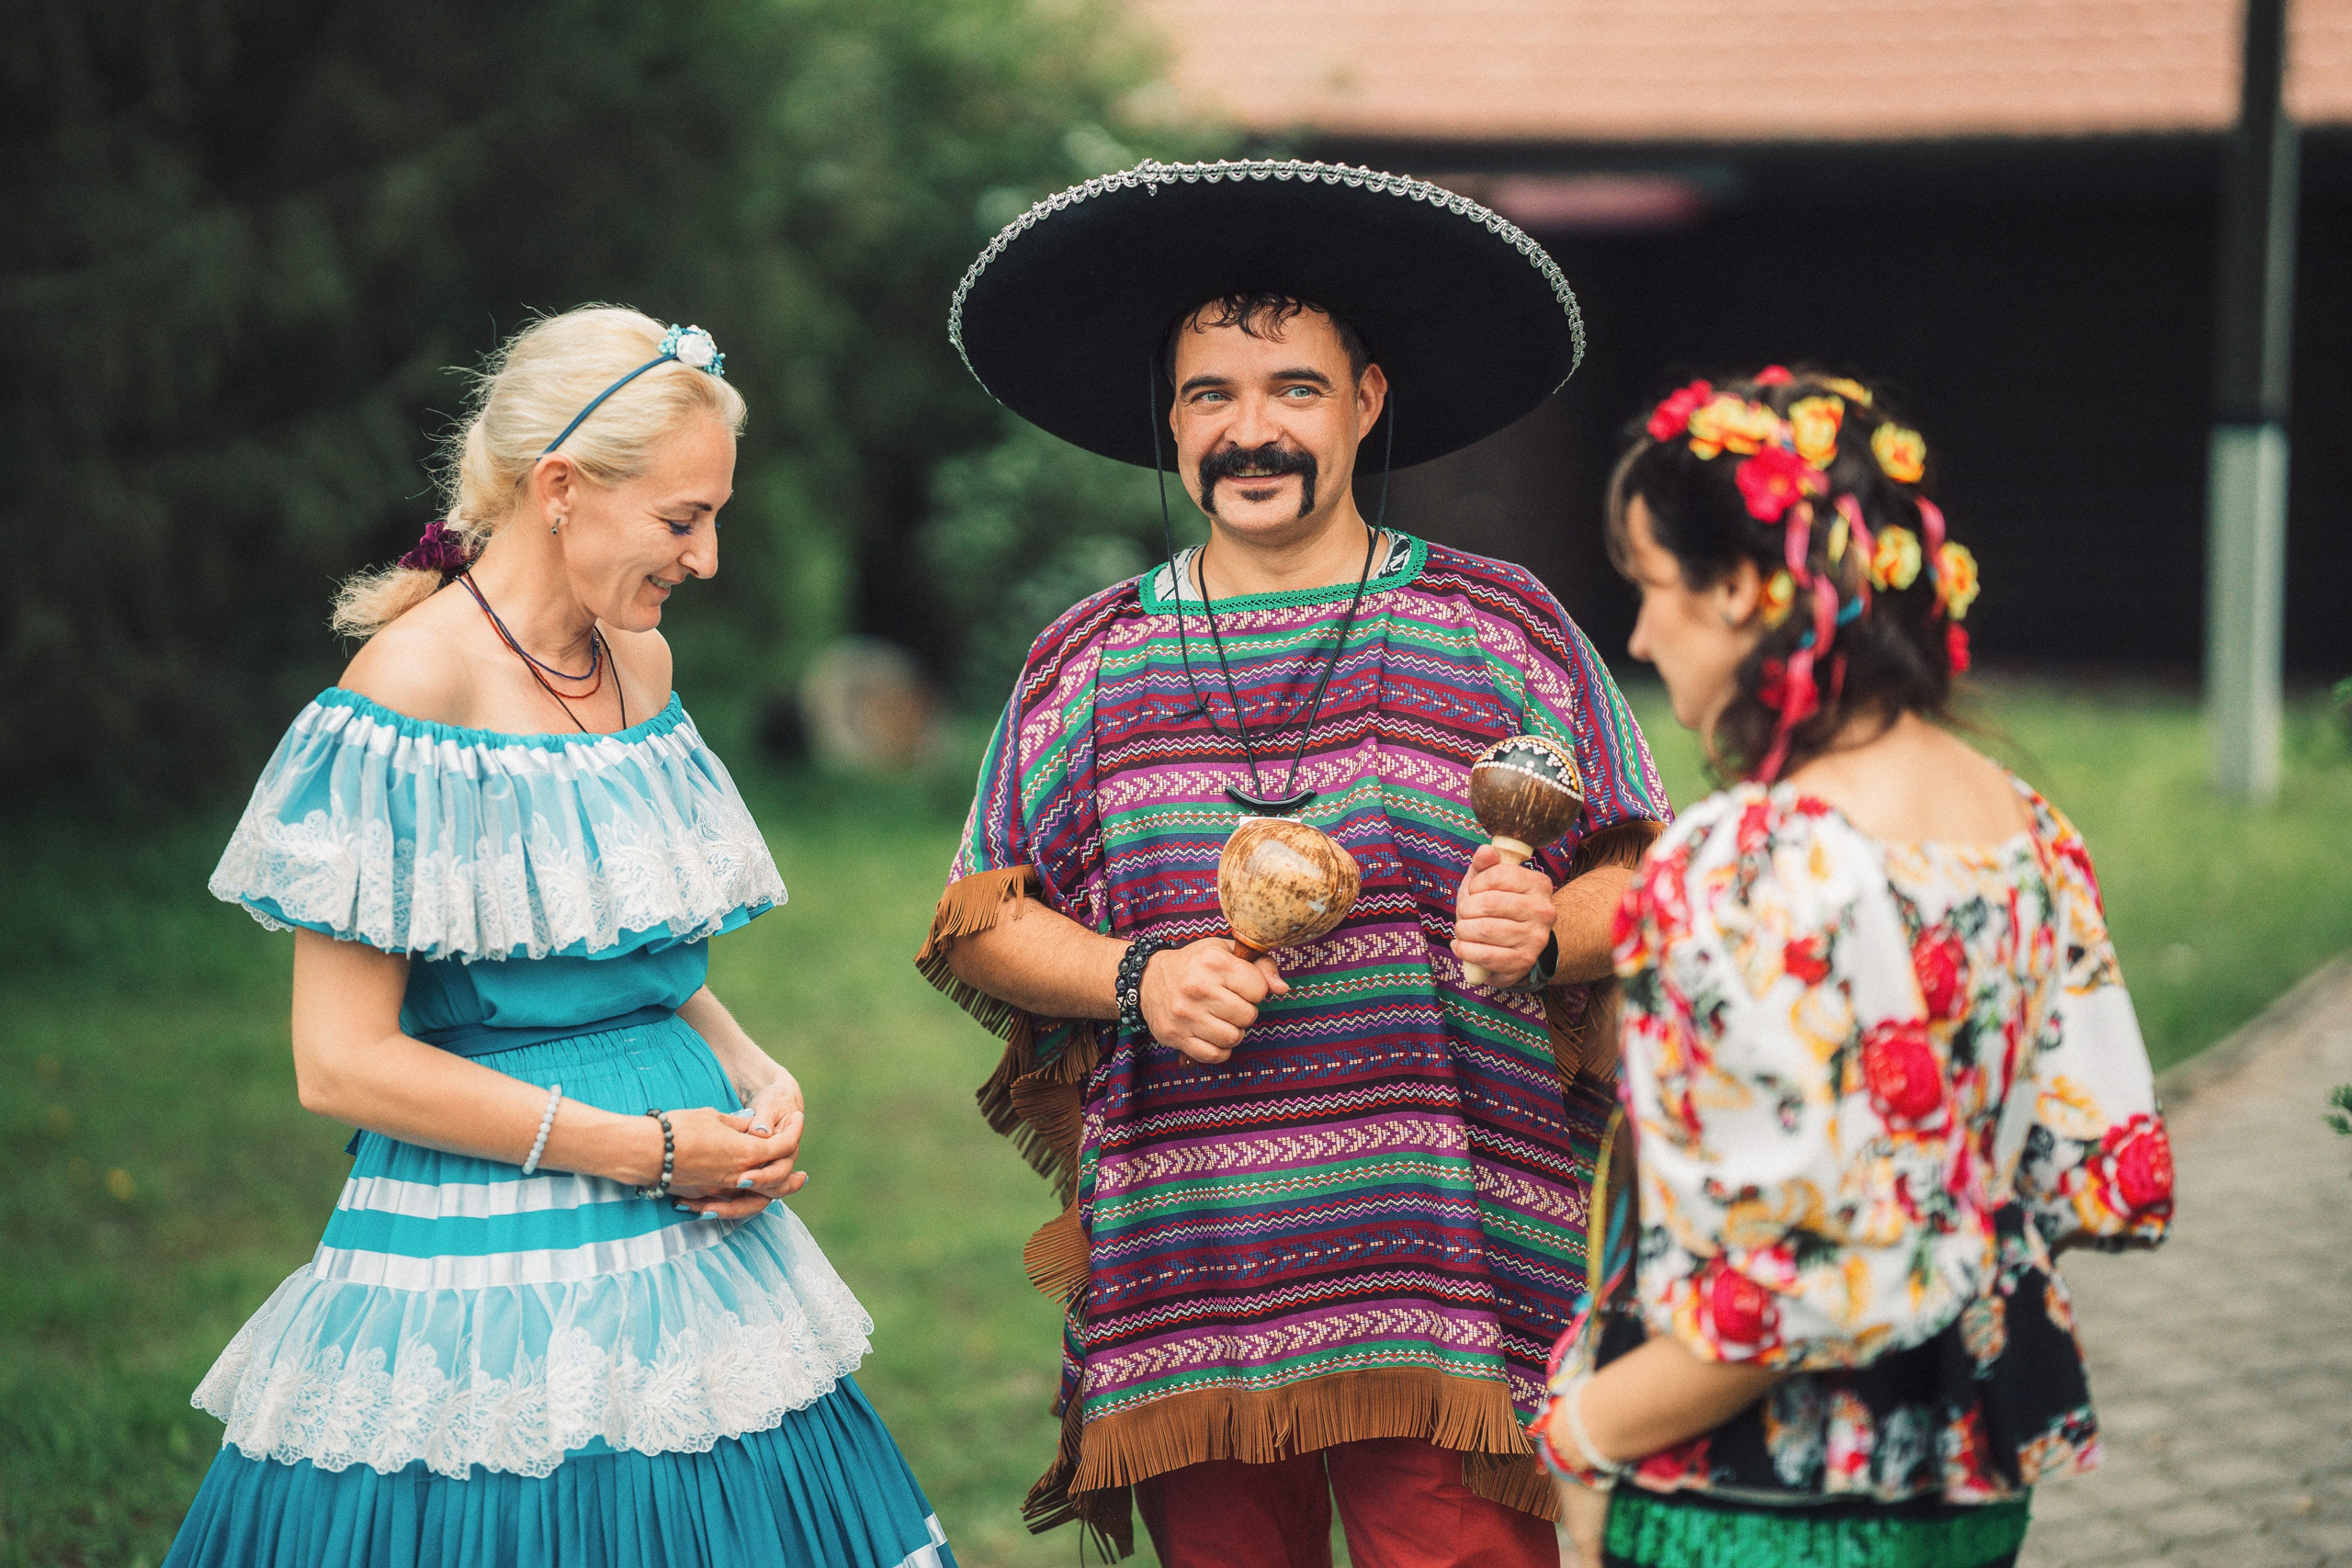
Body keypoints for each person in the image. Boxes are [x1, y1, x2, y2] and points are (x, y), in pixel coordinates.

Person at [917, 159, 1674, 1565]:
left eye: (1293, 391)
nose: (1248, 433)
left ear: (1367, 401)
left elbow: (1656, 878)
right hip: (1191, 1284)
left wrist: (1550, 929)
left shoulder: (1495, 626)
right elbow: (979, 921)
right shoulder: (1089, 664)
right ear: (1171, 417)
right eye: (1211, 396)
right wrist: (1135, 977)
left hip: (1450, 1266)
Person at [168, 307, 954, 1568]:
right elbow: (342, 1064)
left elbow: (626, 954)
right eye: (682, 519)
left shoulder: (637, 664)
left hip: (697, 1221)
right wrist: (645, 1152)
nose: (706, 559)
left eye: (716, 517)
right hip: (498, 1237)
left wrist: (747, 1063)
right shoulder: (410, 688)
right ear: (560, 490)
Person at [1534, 368, 2174, 1568]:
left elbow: (1771, 1306)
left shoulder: (1746, 860)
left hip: (1750, 1498)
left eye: (1651, 586)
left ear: (1737, 586)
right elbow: (2091, 1172)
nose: (1636, 633)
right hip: (1966, 1468)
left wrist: (1578, 1432)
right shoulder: (2025, 826)